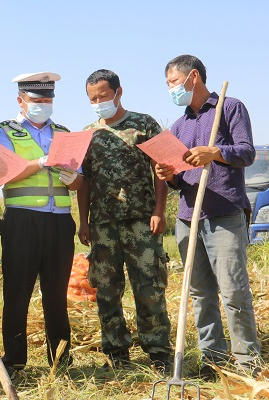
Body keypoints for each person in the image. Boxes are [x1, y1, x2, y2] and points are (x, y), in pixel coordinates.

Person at [155, 54, 262, 379]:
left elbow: (247, 152)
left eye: (174, 82)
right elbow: (177, 180)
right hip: (189, 217)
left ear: (194, 78)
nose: (172, 89)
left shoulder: (230, 108)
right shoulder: (179, 126)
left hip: (224, 213)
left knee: (233, 290)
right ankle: (212, 360)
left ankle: (247, 363)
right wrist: (167, 172)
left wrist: (215, 152)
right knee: (200, 293)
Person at [77, 69, 173, 374]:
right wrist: (83, 221)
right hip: (103, 224)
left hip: (141, 222)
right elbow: (84, 181)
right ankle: (116, 352)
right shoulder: (88, 132)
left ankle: (158, 352)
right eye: (93, 98)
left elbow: (163, 168)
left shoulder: (144, 123)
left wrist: (159, 210)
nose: (98, 102)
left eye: (103, 96)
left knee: (149, 288)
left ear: (119, 93)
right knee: (106, 290)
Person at [0, 72, 83, 378]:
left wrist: (74, 179)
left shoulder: (65, 133)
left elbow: (79, 179)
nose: (43, 105)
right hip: (22, 220)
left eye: (47, 100)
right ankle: (15, 360)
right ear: (21, 100)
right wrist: (39, 163)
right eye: (36, 100)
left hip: (59, 222)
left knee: (56, 294)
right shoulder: (6, 132)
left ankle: (59, 360)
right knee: (17, 293)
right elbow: (1, 173)